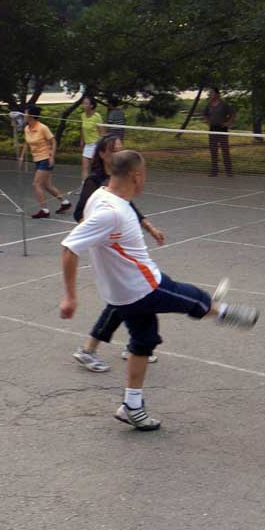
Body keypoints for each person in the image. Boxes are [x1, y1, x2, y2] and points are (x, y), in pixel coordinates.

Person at [59, 150, 260, 431]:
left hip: (121, 294)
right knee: (192, 297)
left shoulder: (101, 196)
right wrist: (70, 296)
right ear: (136, 176)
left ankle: (132, 405)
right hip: (144, 287)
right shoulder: (112, 212)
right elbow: (70, 247)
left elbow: (85, 232)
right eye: (145, 176)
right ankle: (223, 312)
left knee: (143, 342)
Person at [71, 134, 166, 372]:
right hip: (110, 251)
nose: (119, 153)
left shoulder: (120, 179)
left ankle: (96, 349)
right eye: (114, 150)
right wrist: (100, 231)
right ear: (102, 154)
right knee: (130, 298)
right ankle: (102, 349)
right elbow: (79, 214)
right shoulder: (95, 181)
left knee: (124, 302)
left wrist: (150, 227)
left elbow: (130, 207)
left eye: (121, 149)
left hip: (121, 252)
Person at [19, 105, 71, 219]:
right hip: (36, 159)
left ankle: (44, 210)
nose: (24, 115)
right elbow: (26, 143)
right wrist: (22, 157)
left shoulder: (43, 128)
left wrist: (52, 156)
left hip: (45, 158)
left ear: (32, 116)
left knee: (36, 184)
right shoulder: (27, 128)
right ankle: (65, 202)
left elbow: (53, 141)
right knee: (47, 185)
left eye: (26, 113)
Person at [202, 88, 235, 177]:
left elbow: (232, 114)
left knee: (225, 150)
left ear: (217, 94)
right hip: (212, 129)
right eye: (209, 93)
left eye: (211, 93)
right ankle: (214, 171)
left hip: (222, 129)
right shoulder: (209, 104)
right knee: (213, 151)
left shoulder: (224, 104)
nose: (210, 94)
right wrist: (207, 121)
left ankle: (229, 171)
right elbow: (204, 114)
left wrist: (228, 123)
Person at [79, 96, 105, 181]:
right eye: (83, 103)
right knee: (84, 167)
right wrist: (82, 141)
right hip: (87, 144)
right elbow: (82, 129)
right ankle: (84, 187)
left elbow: (102, 133)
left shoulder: (97, 116)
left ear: (91, 106)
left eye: (86, 103)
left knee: (95, 168)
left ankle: (98, 186)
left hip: (96, 144)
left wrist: (99, 147)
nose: (83, 105)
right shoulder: (83, 115)